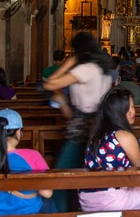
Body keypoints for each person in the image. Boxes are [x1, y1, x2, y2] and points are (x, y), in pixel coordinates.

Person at [43, 32, 113, 212]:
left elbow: (49, 83)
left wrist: (68, 63)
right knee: (84, 170)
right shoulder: (102, 70)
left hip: (81, 126)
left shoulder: (86, 68)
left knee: (62, 172)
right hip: (96, 124)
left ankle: (60, 211)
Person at [78, 88, 140, 211]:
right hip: (110, 200)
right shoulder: (124, 136)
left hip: (86, 198)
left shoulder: (96, 133)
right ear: (118, 112)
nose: (133, 112)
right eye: (128, 108)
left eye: (133, 106)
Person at [0, 109, 56, 214]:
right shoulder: (33, 156)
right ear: (18, 132)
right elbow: (47, 193)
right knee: (47, 201)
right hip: (30, 212)